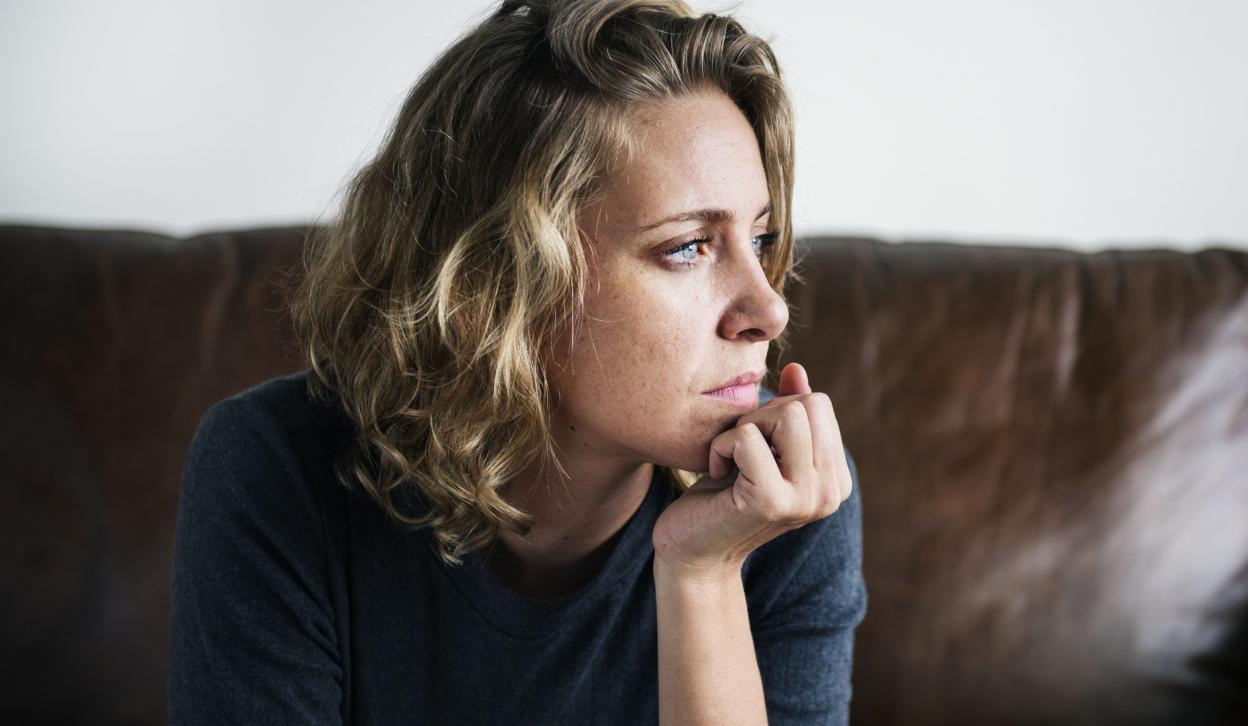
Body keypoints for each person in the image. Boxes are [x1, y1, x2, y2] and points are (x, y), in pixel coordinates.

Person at [167, 0, 867, 723]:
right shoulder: (275, 470)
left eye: (758, 239)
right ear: (503, 280)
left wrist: (703, 574)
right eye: (687, 247)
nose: (771, 310)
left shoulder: (786, 499)